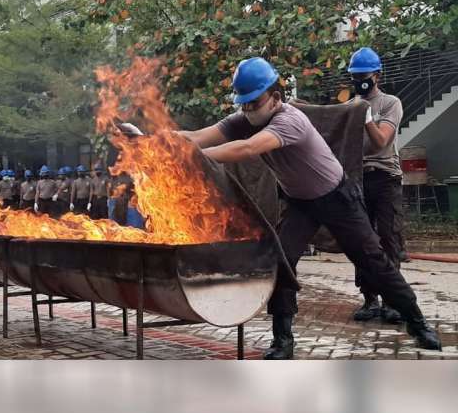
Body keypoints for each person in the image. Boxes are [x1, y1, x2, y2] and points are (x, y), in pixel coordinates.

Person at [118, 56, 441, 358]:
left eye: (254, 103)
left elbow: (246, 148)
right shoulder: (244, 117)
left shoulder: (291, 120)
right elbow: (197, 136)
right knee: (282, 264)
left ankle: (416, 322)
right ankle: (283, 339)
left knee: (373, 261)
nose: (248, 110)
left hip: (338, 199)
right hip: (301, 203)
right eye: (243, 103)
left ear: (275, 96)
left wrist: (189, 158)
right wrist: (151, 141)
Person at [347, 47, 408, 323]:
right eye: (355, 75)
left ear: (377, 76)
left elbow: (381, 141)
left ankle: (393, 301)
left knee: (388, 239)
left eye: (364, 75)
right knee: (362, 241)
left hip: (385, 179)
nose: (360, 80)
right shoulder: (350, 106)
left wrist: (367, 115)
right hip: (359, 179)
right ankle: (370, 299)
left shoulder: (390, 103)